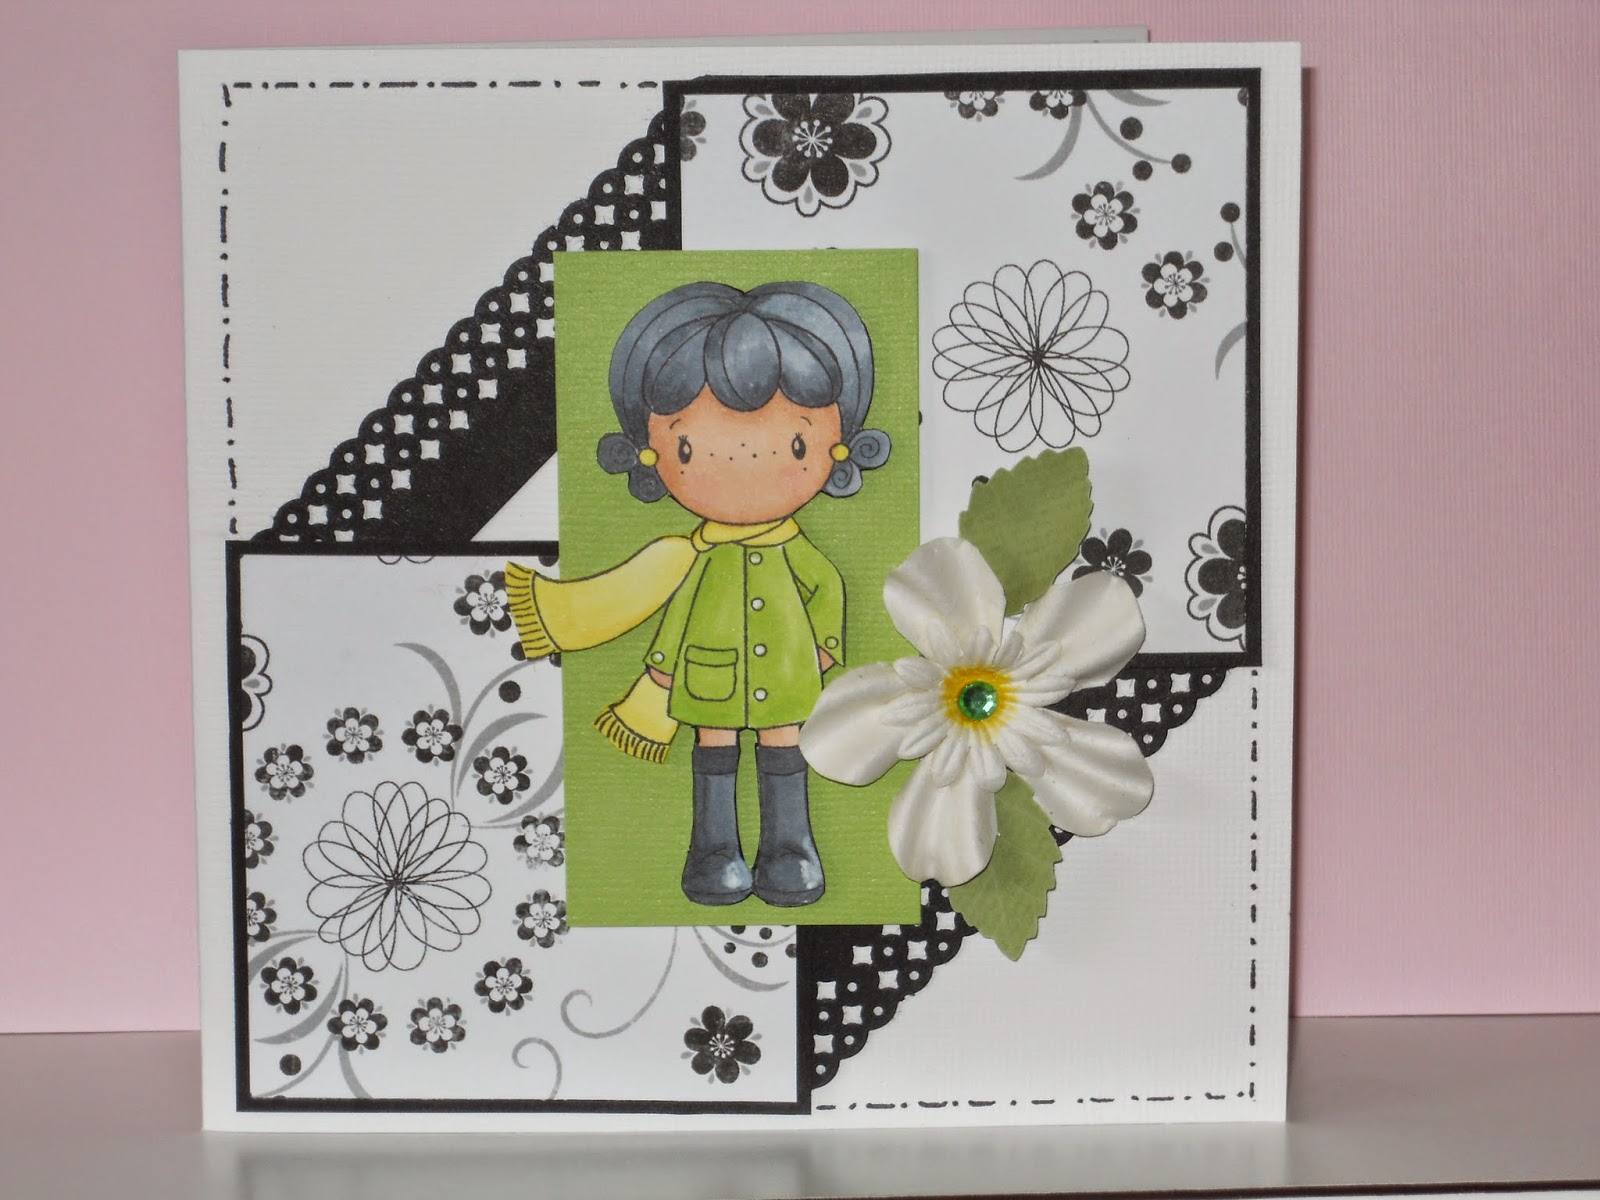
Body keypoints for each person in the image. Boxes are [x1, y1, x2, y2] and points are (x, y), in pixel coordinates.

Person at [505, 280, 890, 908]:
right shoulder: (695, 558)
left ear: (837, 443)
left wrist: (823, 648)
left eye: (794, 444)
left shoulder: (794, 549)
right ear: (652, 452)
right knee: (714, 746)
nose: (741, 464)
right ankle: (714, 855)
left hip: (788, 671)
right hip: (710, 673)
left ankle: (790, 852)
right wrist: (662, 671)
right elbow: (679, 616)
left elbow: (827, 587)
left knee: (784, 743)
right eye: (691, 447)